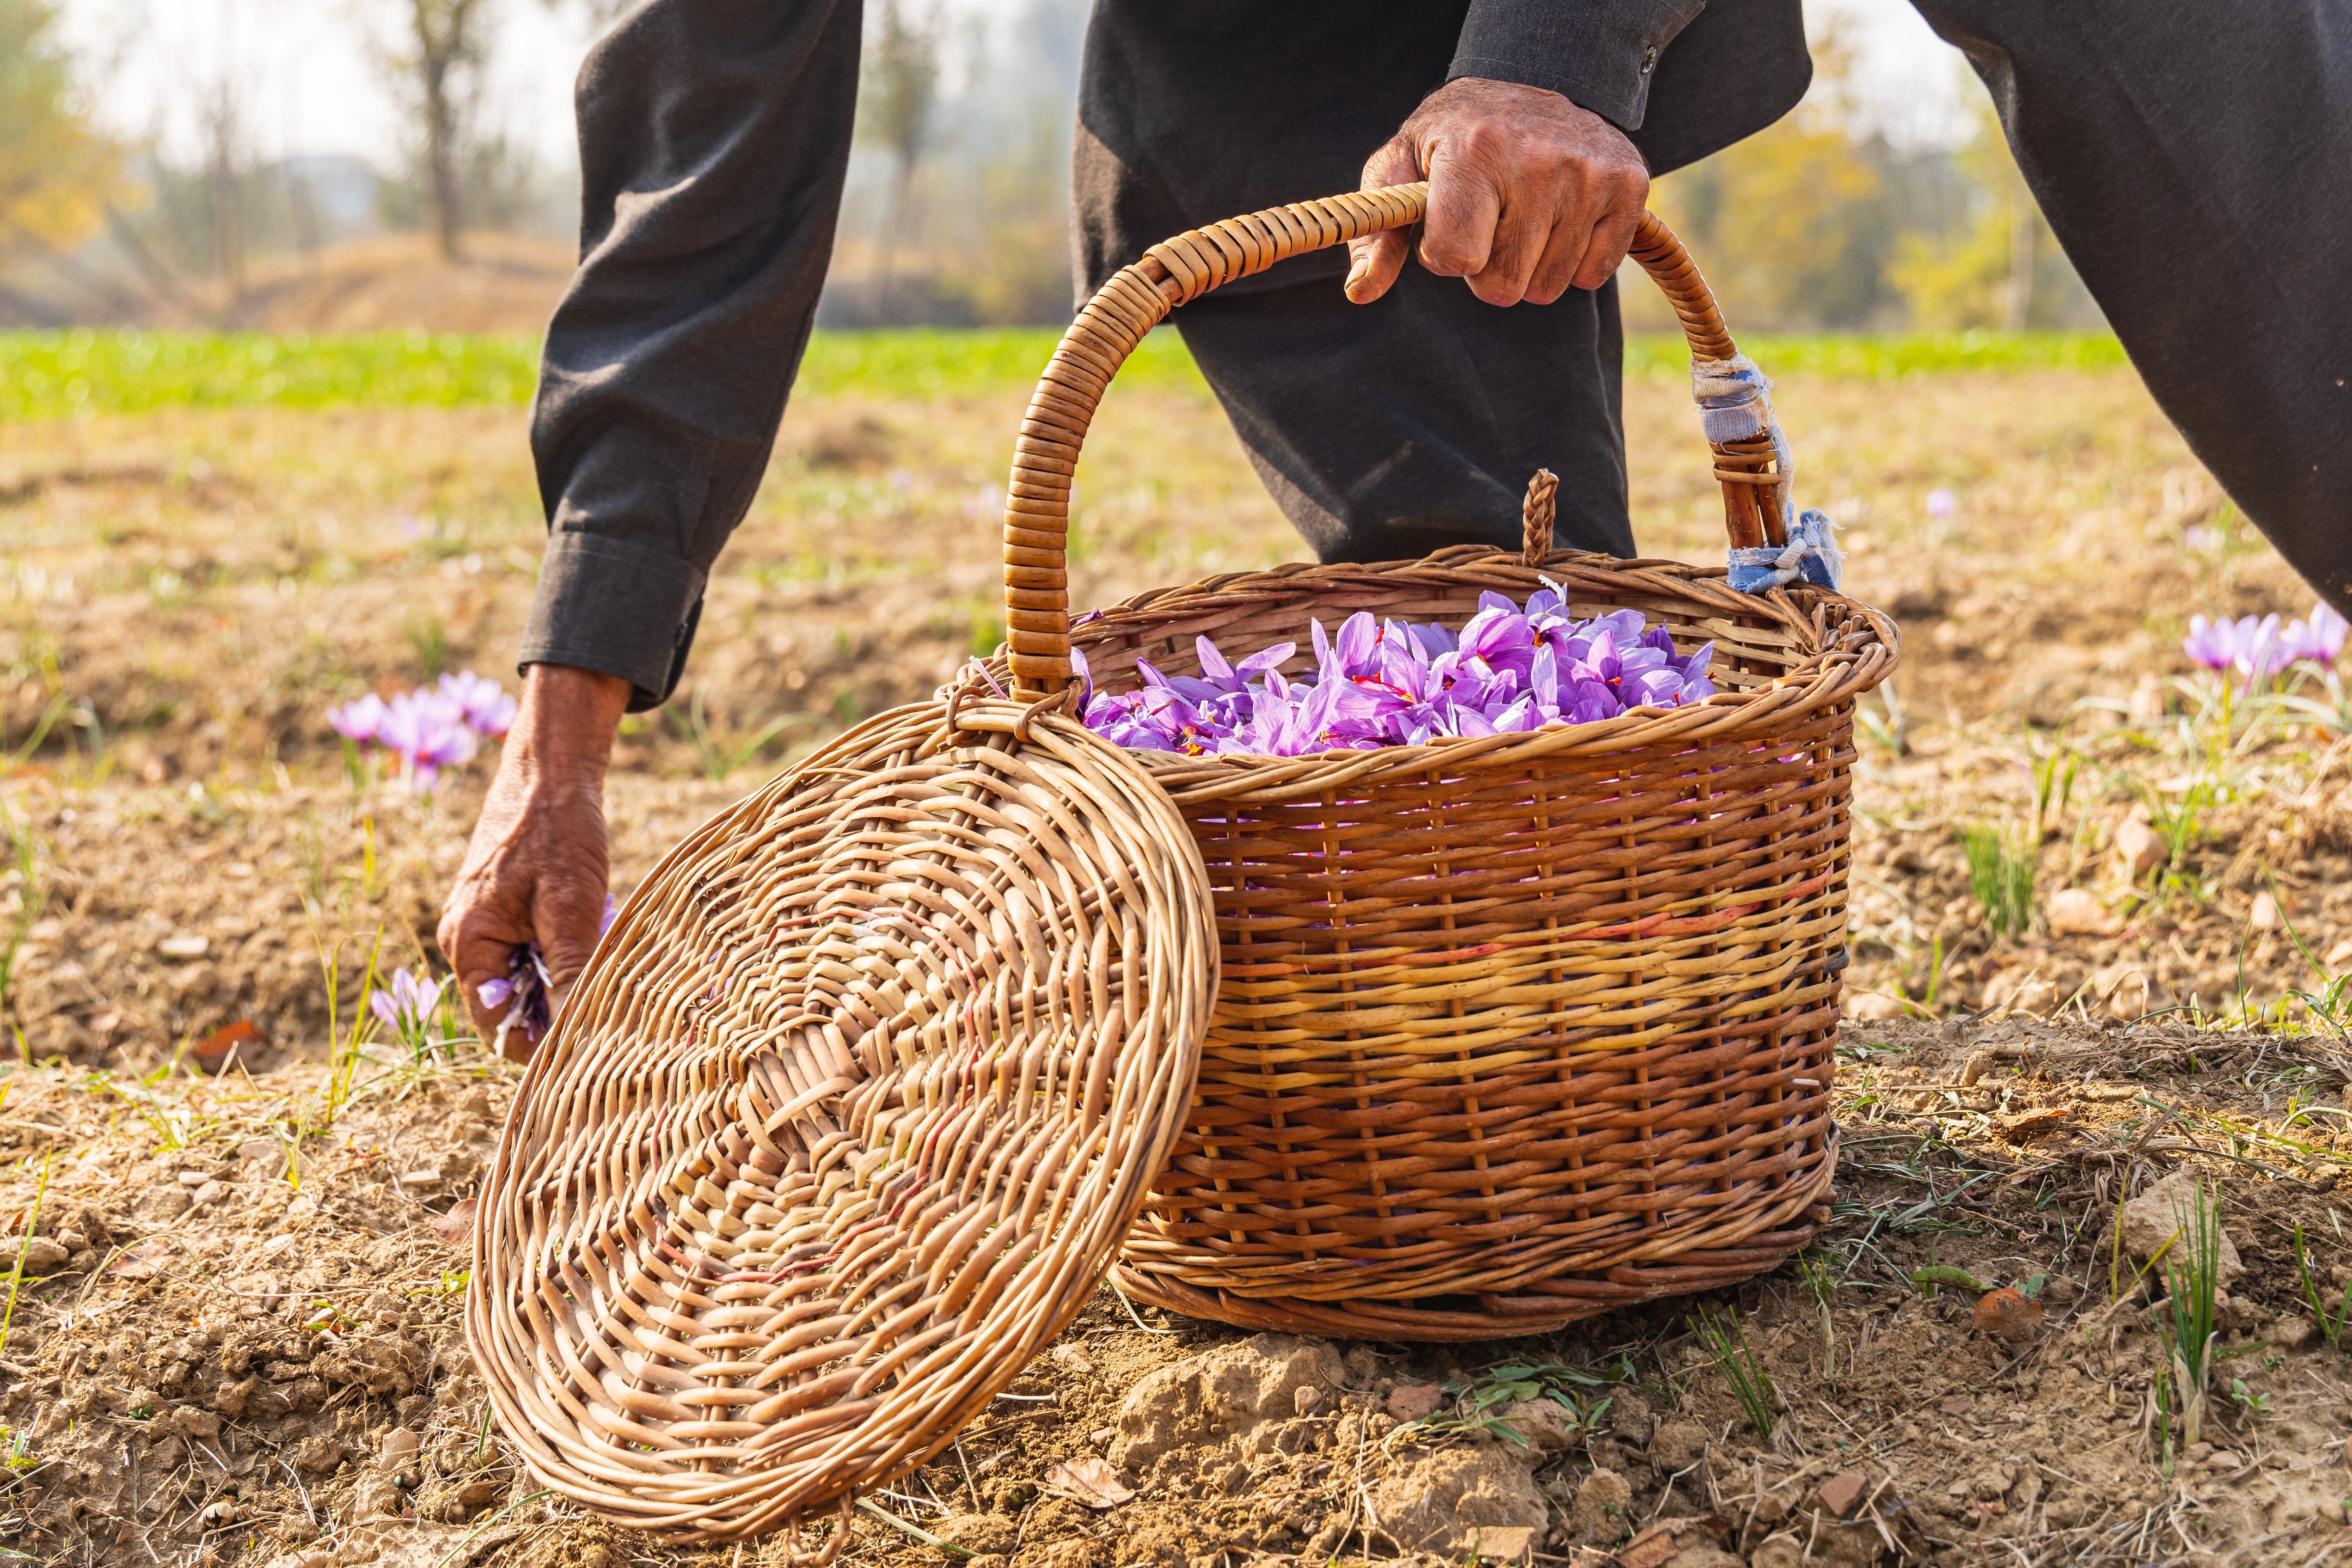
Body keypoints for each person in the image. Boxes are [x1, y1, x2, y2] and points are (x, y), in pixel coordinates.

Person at [441, 0, 2352, 1054]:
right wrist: (565, 719)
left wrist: (1561, 45)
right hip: (1297, 56)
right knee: (1516, 787)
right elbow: (707, 117)